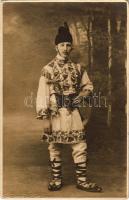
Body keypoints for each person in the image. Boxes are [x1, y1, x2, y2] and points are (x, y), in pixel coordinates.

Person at [36, 22, 102, 192]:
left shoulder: (78, 68)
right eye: (62, 45)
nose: (65, 48)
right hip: (55, 112)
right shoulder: (48, 69)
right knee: (55, 146)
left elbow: (88, 86)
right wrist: (45, 119)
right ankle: (56, 180)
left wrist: (81, 96)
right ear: (56, 46)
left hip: (73, 112)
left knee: (80, 145)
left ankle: (82, 180)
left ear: (71, 47)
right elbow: (42, 93)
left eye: (68, 45)